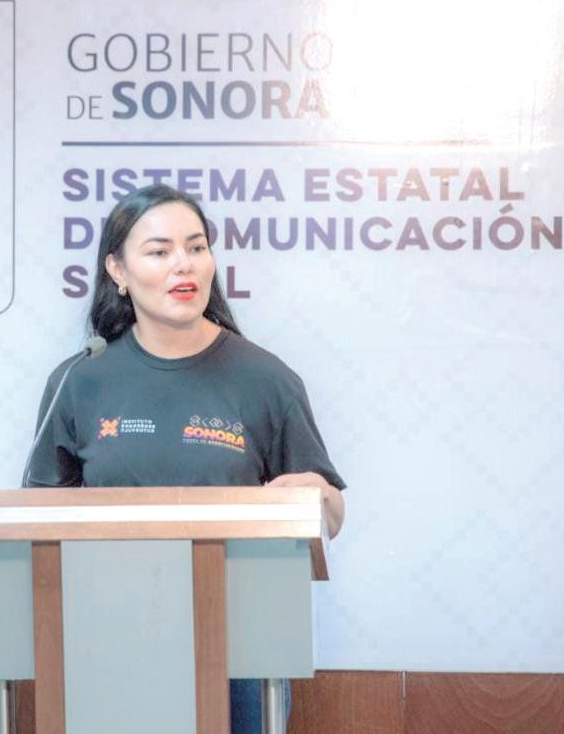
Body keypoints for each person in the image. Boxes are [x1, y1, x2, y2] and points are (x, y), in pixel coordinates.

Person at [24, 183, 346, 732]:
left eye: (197, 247)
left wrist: (317, 497)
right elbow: (36, 518)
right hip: (108, 637)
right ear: (118, 271)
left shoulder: (265, 378)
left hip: (240, 646)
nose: (184, 264)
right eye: (159, 251)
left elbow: (330, 515)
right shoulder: (79, 380)